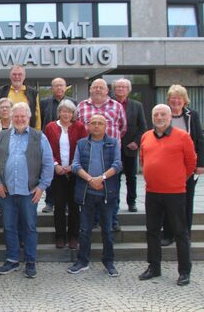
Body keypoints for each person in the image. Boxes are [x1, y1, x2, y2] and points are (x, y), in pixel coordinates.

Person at [0, 102, 54, 279]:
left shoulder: (39, 136)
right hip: (7, 192)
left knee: (29, 227)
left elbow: (48, 163)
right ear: (11, 117)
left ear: (29, 118)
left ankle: (30, 261)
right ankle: (12, 260)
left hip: (29, 193)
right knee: (9, 227)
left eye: (23, 116)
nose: (19, 119)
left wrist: (42, 187)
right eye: (16, 116)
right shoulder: (1, 136)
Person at [138, 104, 196, 286]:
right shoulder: (146, 136)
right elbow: (143, 160)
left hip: (175, 193)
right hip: (152, 192)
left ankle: (184, 271)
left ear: (170, 117)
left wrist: (176, 179)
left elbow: (191, 163)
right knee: (152, 232)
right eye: (156, 114)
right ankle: (154, 267)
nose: (159, 117)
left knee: (180, 232)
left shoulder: (182, 137)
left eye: (163, 114)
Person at [66, 114, 122, 276]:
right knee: (84, 230)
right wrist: (90, 179)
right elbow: (75, 165)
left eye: (100, 123)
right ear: (88, 126)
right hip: (87, 193)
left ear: (105, 127)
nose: (96, 126)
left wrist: (101, 178)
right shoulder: (82, 144)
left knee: (107, 230)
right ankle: (82, 261)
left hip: (106, 193)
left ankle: (109, 262)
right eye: (93, 123)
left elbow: (118, 164)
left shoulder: (113, 143)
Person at [76, 79, 126, 231]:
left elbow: (123, 128)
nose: (98, 90)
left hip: (110, 152)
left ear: (107, 90)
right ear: (90, 90)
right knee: (90, 189)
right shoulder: (82, 106)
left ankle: (112, 219)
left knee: (112, 187)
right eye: (95, 87)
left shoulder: (117, 106)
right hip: (88, 153)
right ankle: (93, 219)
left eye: (101, 87)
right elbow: (78, 127)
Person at [161, 84, 204, 246]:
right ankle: (168, 234)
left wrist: (200, 164)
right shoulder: (164, 114)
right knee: (166, 201)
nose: (176, 101)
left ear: (184, 100)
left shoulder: (192, 115)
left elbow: (199, 139)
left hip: (187, 166)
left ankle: (185, 234)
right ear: (168, 99)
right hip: (167, 166)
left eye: (179, 98)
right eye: (173, 98)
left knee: (187, 200)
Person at [44, 100, 87, 249]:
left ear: (73, 113)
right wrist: (56, 165)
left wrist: (72, 166)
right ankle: (60, 236)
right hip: (57, 173)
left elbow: (83, 148)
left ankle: (74, 236)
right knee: (59, 206)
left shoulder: (80, 127)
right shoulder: (50, 127)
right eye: (63, 111)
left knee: (75, 206)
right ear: (59, 112)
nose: (66, 114)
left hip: (75, 172)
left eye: (69, 111)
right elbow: (47, 149)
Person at [40, 77, 75, 214]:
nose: (59, 88)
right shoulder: (44, 102)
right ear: (52, 88)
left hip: (67, 141)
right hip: (49, 141)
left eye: (61, 85)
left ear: (65, 87)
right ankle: (49, 202)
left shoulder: (73, 102)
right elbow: (40, 121)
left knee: (67, 176)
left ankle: (65, 203)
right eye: (56, 86)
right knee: (49, 174)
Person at [112, 79, 147, 213]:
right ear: (114, 89)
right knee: (114, 176)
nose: (121, 89)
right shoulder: (110, 104)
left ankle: (131, 202)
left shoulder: (136, 106)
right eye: (118, 87)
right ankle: (115, 203)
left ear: (128, 89)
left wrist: (136, 142)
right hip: (114, 148)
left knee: (131, 177)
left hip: (129, 147)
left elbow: (143, 127)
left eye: (124, 87)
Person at [0, 64, 41, 130]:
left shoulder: (33, 93)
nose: (17, 77)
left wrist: (36, 134)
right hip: (5, 133)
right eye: (14, 74)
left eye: (20, 74)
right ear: (10, 76)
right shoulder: (2, 91)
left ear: (24, 77)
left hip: (26, 133)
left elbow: (37, 117)